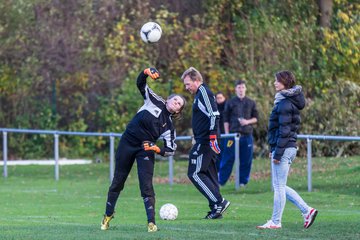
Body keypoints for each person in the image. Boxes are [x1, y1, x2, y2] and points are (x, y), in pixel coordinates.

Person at [101, 67, 186, 232]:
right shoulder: (154, 100)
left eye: (179, 104)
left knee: (146, 186)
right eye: (175, 100)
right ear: (168, 100)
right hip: (127, 142)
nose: (176, 103)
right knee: (118, 181)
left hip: (145, 149)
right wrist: (145, 72)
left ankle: (151, 223)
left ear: (177, 111)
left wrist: (156, 148)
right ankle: (108, 215)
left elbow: (170, 150)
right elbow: (140, 84)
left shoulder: (169, 126)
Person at [257, 70, 318, 229]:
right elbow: (279, 129)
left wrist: (277, 152)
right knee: (280, 185)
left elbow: (284, 131)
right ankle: (307, 211)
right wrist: (273, 148)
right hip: (286, 148)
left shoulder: (284, 103)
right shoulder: (285, 100)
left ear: (284, 82)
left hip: (284, 148)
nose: (274, 83)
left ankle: (275, 222)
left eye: (277, 80)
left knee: (278, 187)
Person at [182, 67, 230, 219]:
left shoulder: (203, 92)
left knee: (195, 173)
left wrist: (212, 137)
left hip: (206, 141)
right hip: (203, 139)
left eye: (188, 83)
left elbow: (214, 115)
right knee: (209, 173)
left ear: (197, 81)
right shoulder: (199, 94)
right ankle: (216, 208)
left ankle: (219, 202)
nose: (186, 87)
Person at [218, 80, 258, 186]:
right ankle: (221, 181)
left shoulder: (251, 102)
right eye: (239, 87)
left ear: (245, 89)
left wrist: (247, 122)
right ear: (236, 89)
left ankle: (242, 182)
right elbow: (225, 119)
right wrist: (227, 134)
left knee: (246, 160)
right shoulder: (230, 102)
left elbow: (256, 118)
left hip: (247, 135)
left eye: (242, 87)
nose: (241, 89)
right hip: (232, 136)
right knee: (227, 159)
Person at [215, 91, 227, 170]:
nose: (219, 100)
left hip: (225, 133)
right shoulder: (214, 107)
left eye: (220, 98)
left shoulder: (227, 107)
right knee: (217, 153)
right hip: (216, 134)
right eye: (217, 98)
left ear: (224, 98)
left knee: (225, 153)